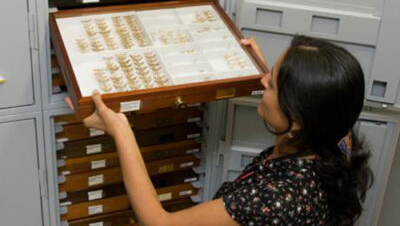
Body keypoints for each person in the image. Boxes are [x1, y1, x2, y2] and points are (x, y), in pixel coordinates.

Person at [66, 35, 373, 226]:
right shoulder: (332, 134)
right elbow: (296, 114)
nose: (263, 80)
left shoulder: (275, 198)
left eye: (272, 83)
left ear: (296, 118)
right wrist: (263, 71)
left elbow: (158, 222)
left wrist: (120, 130)